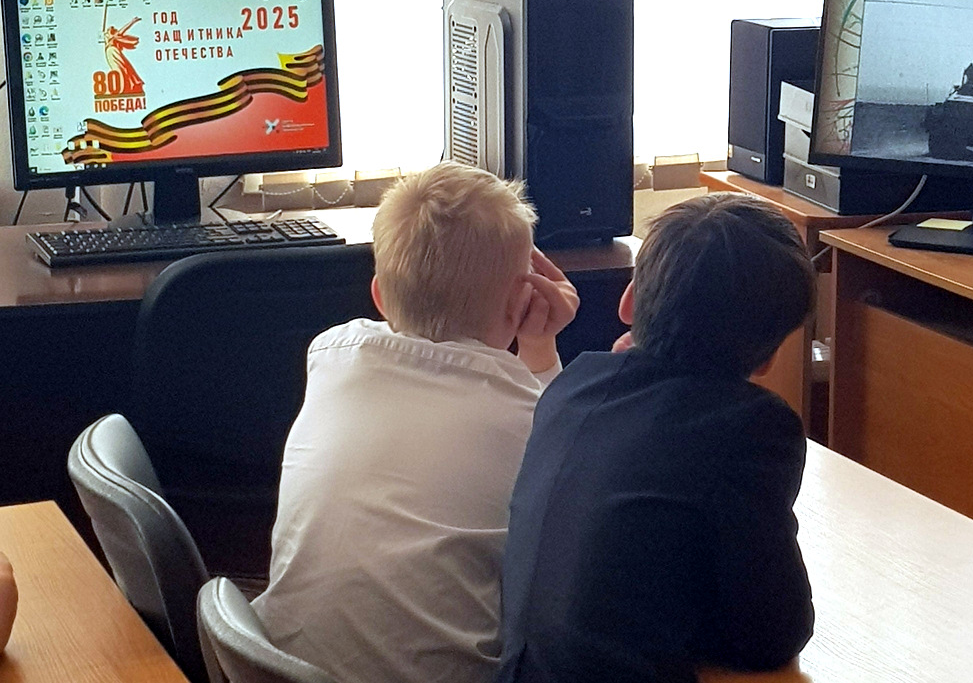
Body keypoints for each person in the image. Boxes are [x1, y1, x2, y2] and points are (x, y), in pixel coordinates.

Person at [252, 161, 579, 683]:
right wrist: (540, 347)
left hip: (279, 666)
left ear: (379, 296)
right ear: (522, 300)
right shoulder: (530, 421)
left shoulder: (332, 358)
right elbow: (557, 466)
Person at [496, 192, 817, 683]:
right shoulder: (751, 428)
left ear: (628, 301)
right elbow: (772, 633)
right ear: (770, 356)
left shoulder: (571, 387)